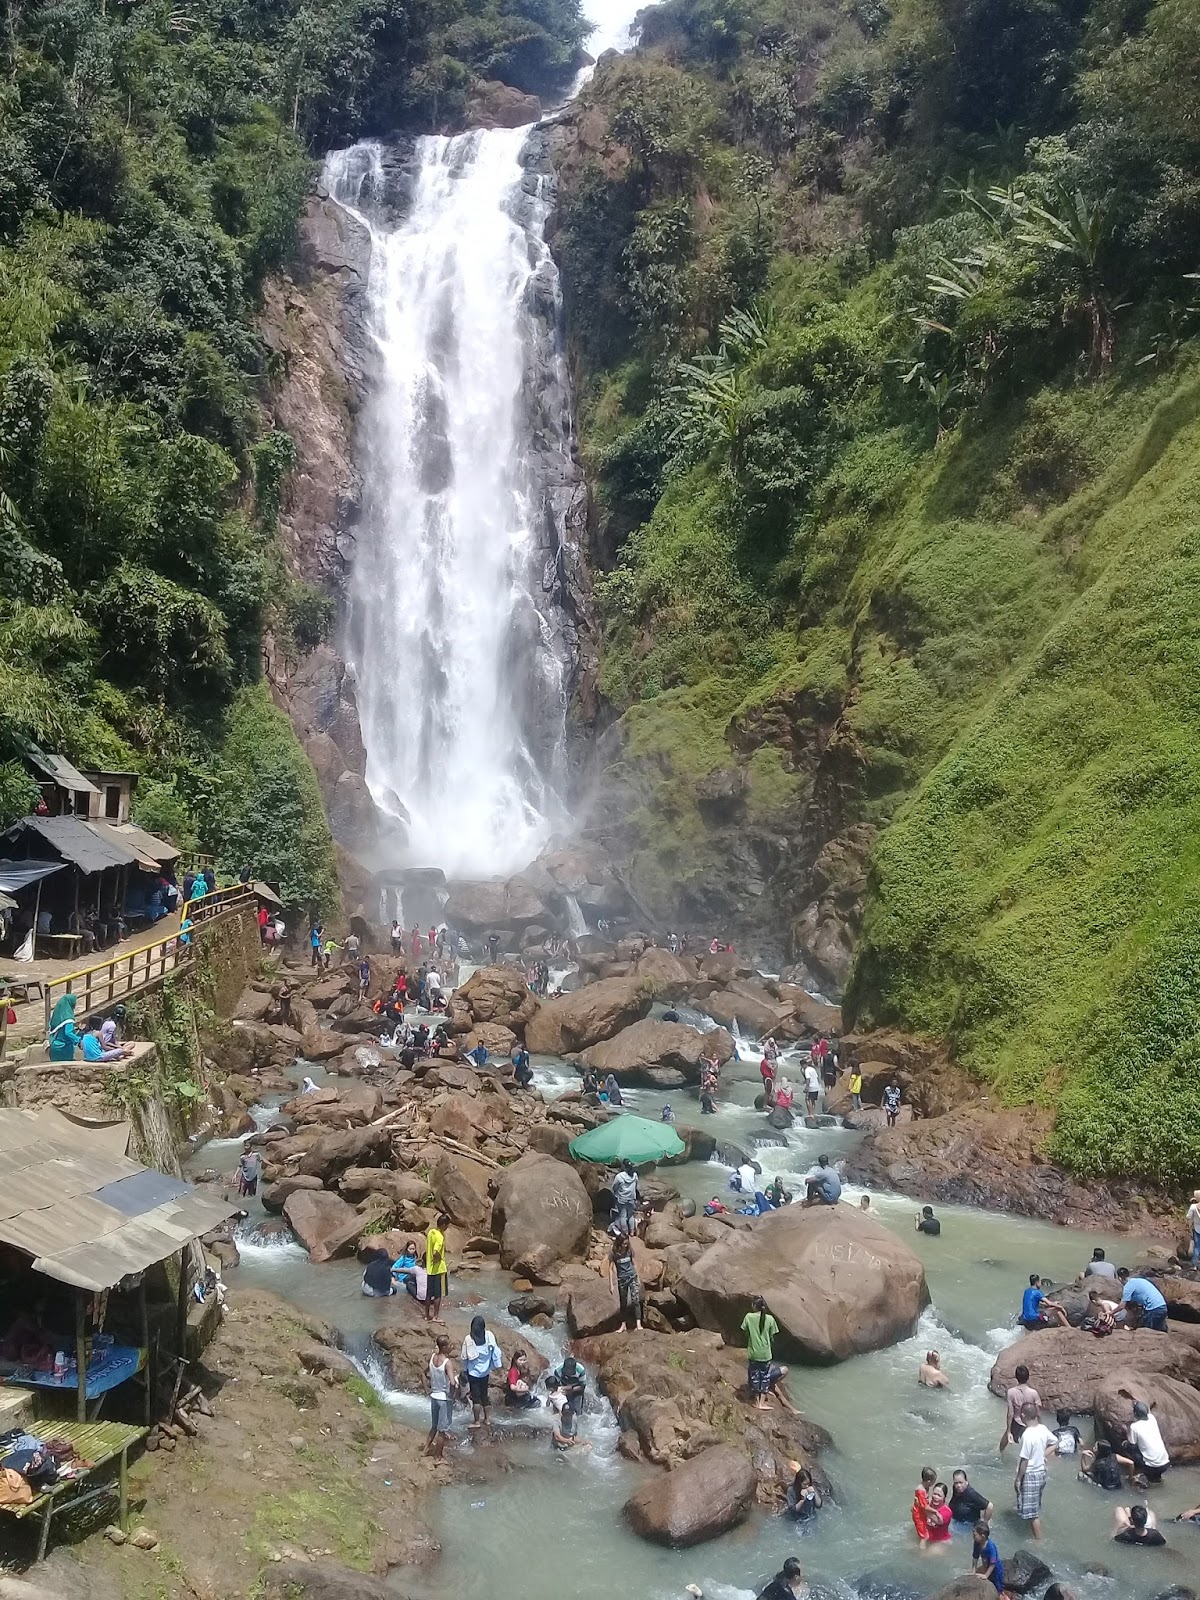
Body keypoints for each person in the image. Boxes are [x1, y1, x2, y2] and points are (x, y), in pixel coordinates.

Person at [740, 1295, 797, 1413]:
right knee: (765, 1377)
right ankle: (762, 1402)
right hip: (766, 1354)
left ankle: (756, 1402)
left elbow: (745, 1332)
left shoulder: (749, 1317)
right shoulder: (770, 1319)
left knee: (755, 1376)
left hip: (754, 1353)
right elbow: (772, 1336)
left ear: (754, 1306)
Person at [1015, 1402, 1057, 1539]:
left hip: (1030, 1475)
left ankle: (1039, 1541)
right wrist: (1043, 1455)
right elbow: (1055, 1442)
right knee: (1033, 1506)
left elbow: (1025, 1460)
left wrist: (1018, 1479)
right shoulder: (1043, 1428)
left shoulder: (1028, 1435)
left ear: (1022, 1416)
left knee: (1032, 1514)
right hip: (1041, 1473)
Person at [460, 1315, 502, 1429]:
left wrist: (464, 1369)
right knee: (485, 1396)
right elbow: (496, 1351)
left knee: (476, 1398)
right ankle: (487, 1419)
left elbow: (464, 1357)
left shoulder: (469, 1339)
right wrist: (495, 1365)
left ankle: (477, 1421)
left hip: (473, 1373)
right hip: (485, 1372)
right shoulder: (489, 1336)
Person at [1118, 1399, 1171, 1485]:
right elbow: (1148, 1412)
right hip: (1165, 1463)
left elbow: (1132, 1443)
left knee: (1127, 1445)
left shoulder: (1134, 1427)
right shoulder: (1152, 1419)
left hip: (1151, 1466)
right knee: (1156, 1481)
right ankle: (1156, 1479)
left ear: (1135, 1414)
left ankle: (1139, 1472)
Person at [425, 1334, 455, 1457]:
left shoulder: (432, 1358)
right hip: (444, 1398)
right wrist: (452, 1394)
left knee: (434, 1426)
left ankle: (425, 1449)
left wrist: (427, 1388)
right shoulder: (447, 1363)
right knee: (442, 1431)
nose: (451, 1346)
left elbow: (423, 1373)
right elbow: (452, 1382)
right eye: (449, 1345)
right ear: (444, 1347)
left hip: (434, 1396)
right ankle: (438, 1457)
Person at [1000, 1364, 1042, 1452]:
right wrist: (1041, 1426)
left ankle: (1000, 1453)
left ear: (1016, 1377)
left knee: (1005, 1439)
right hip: (1031, 1423)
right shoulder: (1034, 1393)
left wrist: (1008, 1431)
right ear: (1028, 1377)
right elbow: (1038, 1413)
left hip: (1017, 1422)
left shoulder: (1011, 1392)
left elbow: (1010, 1413)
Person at [610, 1233, 643, 1331]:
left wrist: (638, 1278)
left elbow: (634, 1264)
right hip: (622, 1280)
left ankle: (638, 1324)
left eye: (627, 1243)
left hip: (632, 1277)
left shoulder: (629, 1250)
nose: (626, 1245)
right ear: (619, 1243)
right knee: (623, 1303)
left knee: (635, 1300)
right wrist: (611, 1284)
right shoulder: (614, 1253)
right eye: (624, 1243)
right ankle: (623, 1325)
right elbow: (610, 1269)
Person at [425, 1214, 448, 1322]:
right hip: (438, 1269)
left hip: (429, 1268)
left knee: (429, 1293)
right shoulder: (440, 1236)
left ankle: (426, 1315)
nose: (447, 1228)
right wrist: (438, 1258)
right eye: (447, 1226)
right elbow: (435, 1252)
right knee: (438, 1294)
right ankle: (436, 1317)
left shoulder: (431, 1232)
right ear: (443, 1225)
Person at [972, 1521, 1005, 1594]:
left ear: (983, 1536)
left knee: (997, 1589)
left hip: (996, 1569)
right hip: (986, 1565)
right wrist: (973, 1571)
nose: (973, 1536)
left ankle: (1003, 1596)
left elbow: (993, 1563)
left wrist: (986, 1576)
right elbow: (975, 1557)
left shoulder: (990, 1547)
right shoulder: (977, 1543)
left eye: (975, 1535)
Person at [610, 1160, 640, 1236]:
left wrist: (617, 1193)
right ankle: (632, 1232)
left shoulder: (619, 1176)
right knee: (630, 1215)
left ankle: (625, 1232)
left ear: (623, 1166)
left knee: (622, 1216)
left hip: (622, 1199)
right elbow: (636, 1186)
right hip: (631, 1198)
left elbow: (614, 1187)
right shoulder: (635, 1175)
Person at [47, 994, 82, 1060]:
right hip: (64, 1048)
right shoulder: (68, 1018)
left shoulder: (55, 1017)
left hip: (54, 1047)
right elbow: (68, 1033)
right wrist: (79, 1040)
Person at [912, 1466, 936, 1540]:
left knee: (926, 1530)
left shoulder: (926, 1487)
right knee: (924, 1536)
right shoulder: (921, 1491)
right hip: (919, 1516)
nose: (933, 1484)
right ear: (929, 1481)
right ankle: (922, 1550)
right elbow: (924, 1507)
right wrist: (935, 1511)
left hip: (922, 1513)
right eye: (933, 1482)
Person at [1188, 1190, 1200, 1266]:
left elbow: (1188, 1216)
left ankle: (1194, 1265)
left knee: (1197, 1247)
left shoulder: (1193, 1207)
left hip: (1197, 1229)